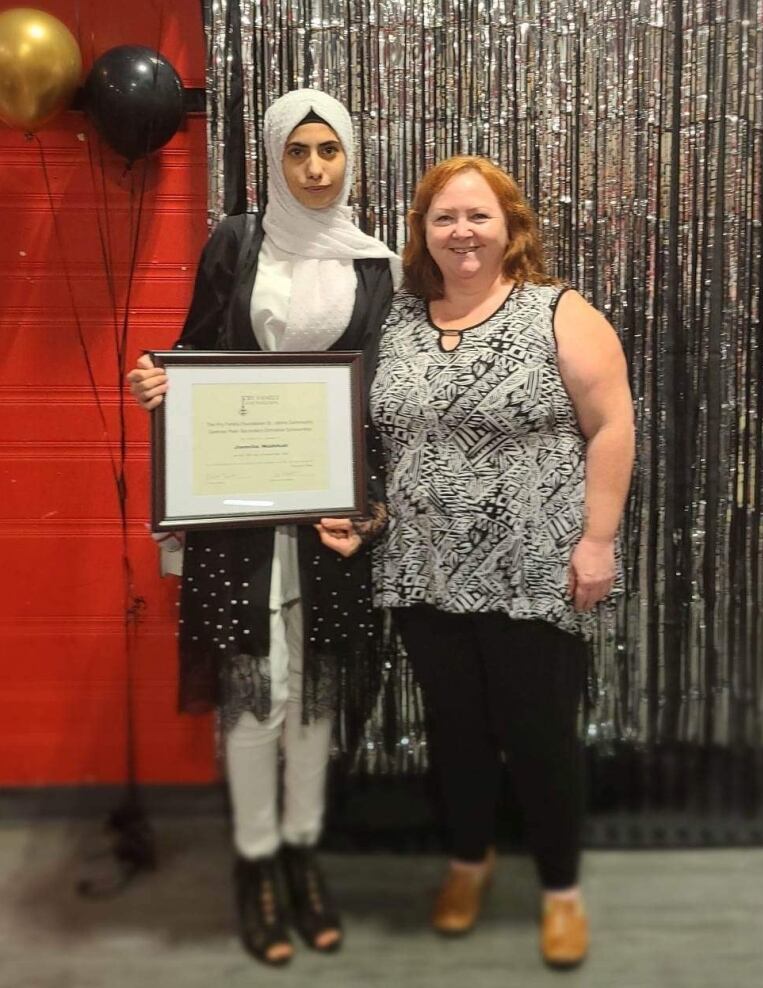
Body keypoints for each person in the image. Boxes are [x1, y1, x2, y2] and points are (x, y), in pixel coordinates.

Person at [128, 89, 399, 967]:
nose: (316, 169)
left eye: (330, 151)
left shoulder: (375, 265)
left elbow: (384, 403)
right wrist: (163, 387)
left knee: (314, 695)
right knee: (252, 693)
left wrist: (376, 504)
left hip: (328, 510)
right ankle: (253, 864)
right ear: (275, 159)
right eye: (298, 152)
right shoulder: (237, 242)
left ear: (349, 156)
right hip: (238, 506)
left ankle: (302, 856)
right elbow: (197, 350)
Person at [369, 155, 634, 969]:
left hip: (534, 565)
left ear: (511, 226)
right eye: (444, 218)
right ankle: (467, 862)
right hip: (422, 568)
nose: (461, 232)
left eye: (478, 216)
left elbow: (613, 424)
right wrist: (370, 515)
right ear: (423, 233)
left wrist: (597, 540)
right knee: (455, 733)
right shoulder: (399, 322)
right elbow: (390, 443)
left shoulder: (559, 310)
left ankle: (560, 891)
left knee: (540, 734)